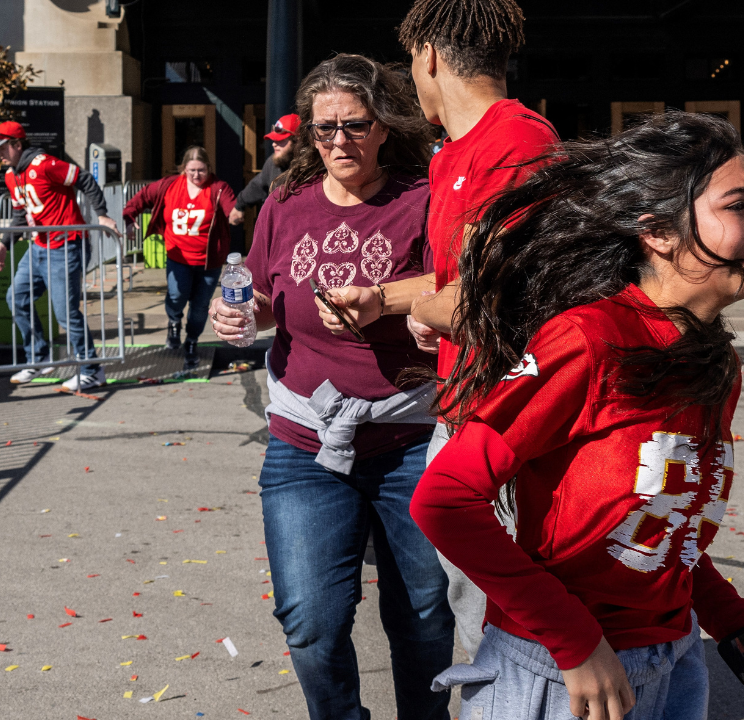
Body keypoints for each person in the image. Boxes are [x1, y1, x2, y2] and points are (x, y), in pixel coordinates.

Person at [410, 112, 744, 720]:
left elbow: (663, 528)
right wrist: (574, 642)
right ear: (657, 232)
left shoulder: (717, 362)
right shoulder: (586, 340)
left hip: (677, 665)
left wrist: (734, 623)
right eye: (738, 207)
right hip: (559, 678)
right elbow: (443, 498)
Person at [208, 54, 453, 720]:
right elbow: (258, 295)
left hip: (410, 440)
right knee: (310, 622)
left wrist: (406, 313)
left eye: (354, 125)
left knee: (425, 618)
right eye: (324, 129)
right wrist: (235, 313)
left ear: (382, 126)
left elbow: (452, 291)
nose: (338, 141)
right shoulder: (286, 204)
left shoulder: (421, 197)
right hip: (304, 443)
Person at [315, 0, 558, 660]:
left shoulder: (519, 145)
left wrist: (428, 312)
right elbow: (455, 281)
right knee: (471, 607)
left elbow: (498, 299)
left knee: (506, 624)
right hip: (460, 408)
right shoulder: (454, 158)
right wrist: (381, 299)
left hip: (507, 422)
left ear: (426, 55)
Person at [0, 121, 118, 391]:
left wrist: (102, 215)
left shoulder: (44, 164)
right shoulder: (12, 176)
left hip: (66, 245)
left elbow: (84, 179)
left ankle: (92, 369)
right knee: (16, 297)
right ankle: (39, 356)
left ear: (16, 145)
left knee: (66, 313)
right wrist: (4, 244)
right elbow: (19, 215)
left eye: (1, 147)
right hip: (39, 247)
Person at [123, 146, 239, 368]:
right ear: (183, 169)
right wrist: (129, 217)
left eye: (202, 171)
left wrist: (235, 215)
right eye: (192, 170)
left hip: (208, 261)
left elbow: (231, 209)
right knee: (177, 296)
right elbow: (142, 196)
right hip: (178, 256)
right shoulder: (169, 186)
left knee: (199, 305)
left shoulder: (218, 188)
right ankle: (174, 321)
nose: (196, 176)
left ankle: (192, 341)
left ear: (209, 169)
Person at [228, 113, 299, 225]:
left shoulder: (312, 167)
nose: (274, 144)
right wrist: (239, 206)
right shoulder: (273, 162)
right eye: (274, 140)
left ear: (297, 141)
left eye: (280, 140)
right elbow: (258, 185)